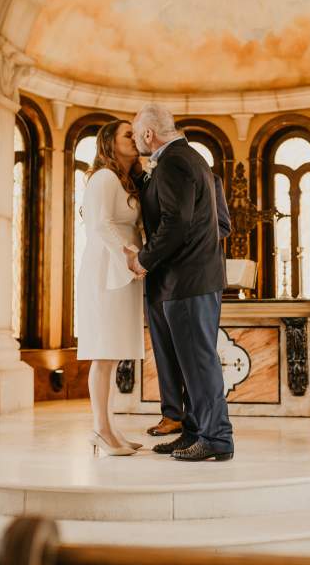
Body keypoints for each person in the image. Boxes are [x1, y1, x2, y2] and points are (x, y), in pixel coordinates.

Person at [125, 103, 234, 462]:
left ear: (147, 134)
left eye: (134, 133)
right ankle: (192, 432)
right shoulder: (189, 158)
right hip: (187, 279)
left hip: (188, 280)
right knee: (189, 361)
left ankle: (216, 438)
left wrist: (142, 259)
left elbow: (176, 223)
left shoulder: (173, 161)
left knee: (199, 361)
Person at [76, 120, 144, 457]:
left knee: (112, 353)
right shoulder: (103, 177)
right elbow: (100, 224)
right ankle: (100, 429)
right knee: (103, 353)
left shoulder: (125, 181)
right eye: (127, 135)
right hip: (106, 268)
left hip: (122, 268)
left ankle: (109, 426)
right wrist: (130, 254)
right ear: (109, 143)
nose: (134, 138)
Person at [145, 172, 231, 438]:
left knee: (194, 354)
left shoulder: (211, 181)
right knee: (163, 348)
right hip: (157, 276)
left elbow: (223, 226)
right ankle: (171, 415)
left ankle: (197, 424)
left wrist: (185, 240)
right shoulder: (152, 181)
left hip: (193, 278)